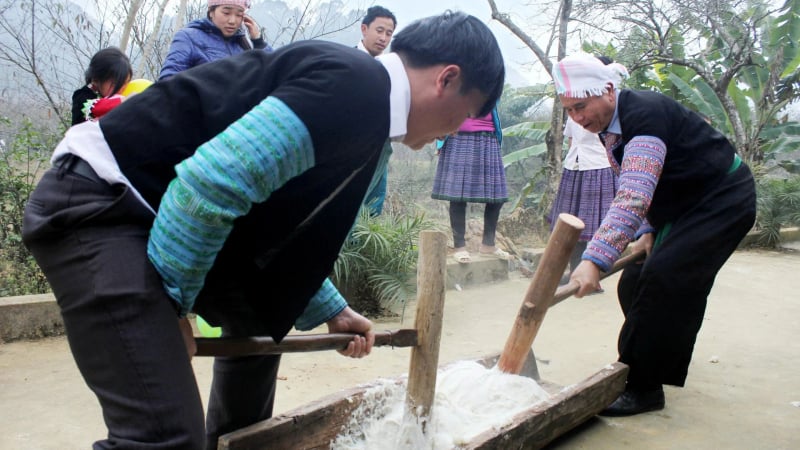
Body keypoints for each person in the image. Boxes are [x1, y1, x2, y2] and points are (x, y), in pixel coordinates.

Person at [22, 11, 504, 449]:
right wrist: (172, 307)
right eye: (466, 114)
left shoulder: (364, 103)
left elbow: (271, 229)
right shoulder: (356, 89)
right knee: (162, 438)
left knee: (260, 320)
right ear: (447, 78)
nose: (455, 130)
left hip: (146, 211)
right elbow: (210, 184)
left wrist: (332, 309)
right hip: (100, 206)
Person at [553, 53, 756, 416]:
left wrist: (593, 260)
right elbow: (639, 178)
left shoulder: (644, 113)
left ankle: (643, 387)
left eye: (581, 106)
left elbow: (633, 194)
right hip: (684, 204)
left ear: (609, 90)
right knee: (634, 282)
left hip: (722, 198)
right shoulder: (608, 125)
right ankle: (654, 361)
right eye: (569, 111)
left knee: (665, 278)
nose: (578, 118)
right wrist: (647, 229)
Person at [432, 107, 509, 263]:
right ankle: (459, 247)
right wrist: (440, 139)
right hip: (458, 137)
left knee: (497, 196)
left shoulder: (492, 85)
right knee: (457, 196)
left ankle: (488, 245)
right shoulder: (455, 82)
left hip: (489, 138)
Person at [549, 116, 618, 282]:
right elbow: (571, 141)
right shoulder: (572, 114)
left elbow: (613, 142)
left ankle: (594, 276)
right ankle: (575, 272)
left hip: (598, 168)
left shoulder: (604, 113)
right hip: (574, 168)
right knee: (572, 224)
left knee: (597, 227)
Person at [158, 0, 272, 80]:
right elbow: (168, 80)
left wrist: (258, 41)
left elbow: (272, 74)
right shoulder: (188, 37)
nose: (232, 20)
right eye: (226, 13)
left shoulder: (243, 45)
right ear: (211, 11)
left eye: (239, 15)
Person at [356, 5, 397, 216]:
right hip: (352, 146)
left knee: (373, 204)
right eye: (379, 30)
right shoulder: (349, 61)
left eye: (388, 33)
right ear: (364, 29)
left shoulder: (389, 68)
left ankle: (363, 249)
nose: (383, 37)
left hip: (381, 145)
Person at [71, 47, 132, 125]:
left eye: (126, 83)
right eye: (116, 83)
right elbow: (96, 108)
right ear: (96, 79)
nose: (122, 88)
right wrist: (126, 101)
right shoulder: (81, 96)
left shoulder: (115, 98)